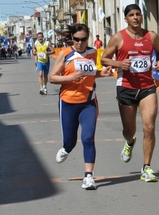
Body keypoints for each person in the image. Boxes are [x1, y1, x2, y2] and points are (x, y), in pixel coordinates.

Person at [101, 4, 159, 183]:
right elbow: (104, 58)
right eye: (131, 15)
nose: (135, 17)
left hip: (147, 87)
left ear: (141, 17)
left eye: (138, 14)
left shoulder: (151, 36)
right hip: (126, 87)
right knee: (129, 130)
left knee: (149, 127)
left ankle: (146, 167)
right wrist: (119, 64)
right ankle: (130, 142)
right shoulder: (118, 38)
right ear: (126, 18)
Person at [49, 23, 113, 190]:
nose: (79, 43)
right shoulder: (65, 54)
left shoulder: (92, 53)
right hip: (68, 102)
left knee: (87, 137)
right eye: (76, 39)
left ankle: (89, 176)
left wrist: (102, 73)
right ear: (72, 39)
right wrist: (70, 78)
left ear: (88, 38)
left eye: (83, 39)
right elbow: (52, 78)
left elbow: (92, 73)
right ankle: (66, 148)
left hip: (88, 102)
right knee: (70, 141)